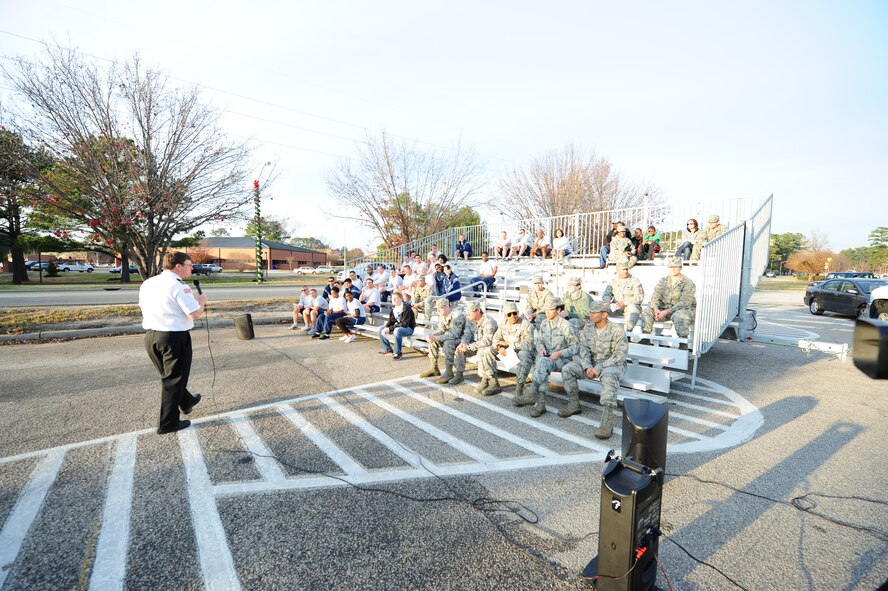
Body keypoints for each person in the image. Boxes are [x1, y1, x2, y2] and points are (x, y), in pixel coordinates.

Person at [138, 251, 207, 435]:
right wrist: (202, 302)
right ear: (178, 266)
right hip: (173, 338)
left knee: (170, 378)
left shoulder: (148, 282)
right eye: (189, 265)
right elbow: (194, 313)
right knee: (174, 380)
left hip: (151, 336)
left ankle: (186, 401)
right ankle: (168, 423)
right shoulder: (179, 286)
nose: (191, 268)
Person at [560, 301, 628, 437]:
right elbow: (583, 348)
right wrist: (587, 366)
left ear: (604, 314)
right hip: (591, 364)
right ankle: (574, 404)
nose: (589, 315)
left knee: (609, 379)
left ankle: (607, 423)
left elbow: (620, 355)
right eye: (589, 312)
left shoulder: (617, 330)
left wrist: (599, 367)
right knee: (568, 369)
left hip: (611, 365)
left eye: (593, 312)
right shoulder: (588, 328)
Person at [516, 298, 578, 418]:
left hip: (563, 359)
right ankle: (540, 404)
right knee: (542, 362)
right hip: (547, 358)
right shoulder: (544, 323)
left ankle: (534, 397)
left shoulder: (565, 325)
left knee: (542, 363)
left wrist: (560, 353)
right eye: (546, 311)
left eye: (551, 310)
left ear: (558, 310)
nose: (548, 313)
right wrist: (541, 348)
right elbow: (539, 340)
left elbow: (576, 347)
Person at [480, 302, 535, 400]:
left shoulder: (525, 324)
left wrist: (509, 344)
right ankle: (494, 383)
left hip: (521, 352)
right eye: (509, 314)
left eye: (514, 313)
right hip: (508, 352)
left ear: (518, 312)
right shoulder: (504, 323)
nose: (512, 316)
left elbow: (529, 344)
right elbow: (496, 338)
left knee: (524, 354)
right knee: (488, 351)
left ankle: (519, 388)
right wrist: (499, 348)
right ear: (506, 316)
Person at [641, 257, 697, 340]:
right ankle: (645, 337)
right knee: (647, 311)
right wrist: (655, 309)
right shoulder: (663, 281)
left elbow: (685, 302)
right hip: (665, 309)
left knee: (679, 316)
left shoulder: (688, 282)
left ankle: (683, 342)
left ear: (680, 268)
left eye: (676, 267)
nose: (673, 269)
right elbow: (655, 296)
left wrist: (667, 312)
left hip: (683, 309)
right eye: (671, 267)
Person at [421, 298, 471, 384]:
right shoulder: (442, 315)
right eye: (436, 309)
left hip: (463, 339)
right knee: (433, 341)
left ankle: (449, 372)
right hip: (452, 337)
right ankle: (434, 368)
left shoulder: (457, 315)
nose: (437, 311)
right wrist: (432, 335)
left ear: (447, 306)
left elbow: (455, 334)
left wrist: (438, 338)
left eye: (439, 308)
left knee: (448, 343)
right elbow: (441, 329)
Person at [455, 301, 498, 392]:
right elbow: (467, 334)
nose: (468, 314)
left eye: (470, 312)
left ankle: (485, 380)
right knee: (459, 347)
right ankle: (459, 374)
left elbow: (487, 341)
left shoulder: (488, 322)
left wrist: (469, 347)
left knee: (483, 350)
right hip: (476, 345)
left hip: (491, 347)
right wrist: (463, 344)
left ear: (478, 311)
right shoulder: (470, 320)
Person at [601, 263, 644, 332]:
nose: (625, 271)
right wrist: (607, 301)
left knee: (632, 308)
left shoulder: (635, 280)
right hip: (616, 307)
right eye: (623, 269)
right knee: (599, 308)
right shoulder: (613, 281)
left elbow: (640, 297)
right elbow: (606, 294)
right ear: (617, 270)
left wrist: (624, 302)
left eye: (626, 269)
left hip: (629, 306)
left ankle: (628, 333)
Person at [379, 292, 416, 359]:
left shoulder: (406, 308)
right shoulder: (393, 308)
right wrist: (386, 327)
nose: (394, 300)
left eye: (396, 298)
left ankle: (398, 353)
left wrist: (390, 329)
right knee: (380, 329)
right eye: (393, 298)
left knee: (397, 330)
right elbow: (391, 321)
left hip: (408, 328)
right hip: (400, 327)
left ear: (401, 299)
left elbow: (404, 324)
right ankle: (388, 350)